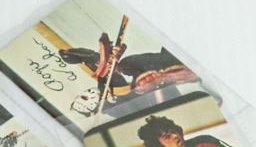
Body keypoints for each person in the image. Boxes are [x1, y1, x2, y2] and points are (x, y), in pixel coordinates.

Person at [61, 32, 197, 116]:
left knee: (127, 66)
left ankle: (99, 61)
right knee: (132, 73)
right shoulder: (112, 110)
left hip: (163, 70)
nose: (88, 92)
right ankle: (100, 61)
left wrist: (112, 60)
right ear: (92, 107)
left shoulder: (105, 91)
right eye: (86, 98)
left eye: (83, 94)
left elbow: (113, 82)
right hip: (163, 94)